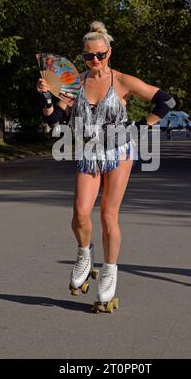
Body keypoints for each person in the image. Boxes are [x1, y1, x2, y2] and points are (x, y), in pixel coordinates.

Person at [37, 21, 176, 313]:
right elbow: (54, 123)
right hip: (88, 152)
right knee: (80, 213)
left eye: (100, 54)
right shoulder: (75, 83)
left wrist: (140, 128)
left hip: (118, 152)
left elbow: (166, 102)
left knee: (108, 215)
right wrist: (46, 96)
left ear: (109, 52)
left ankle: (110, 271)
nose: (95, 60)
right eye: (89, 56)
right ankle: (84, 255)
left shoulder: (123, 81)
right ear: (83, 57)